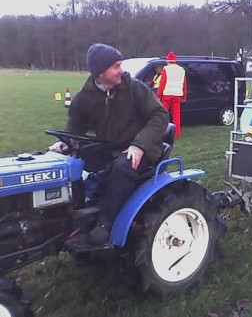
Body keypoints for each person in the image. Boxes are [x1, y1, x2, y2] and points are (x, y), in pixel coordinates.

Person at [48, 43, 169, 245]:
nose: (121, 71)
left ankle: (105, 223)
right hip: (109, 148)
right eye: (116, 66)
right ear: (100, 72)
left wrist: (139, 145)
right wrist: (65, 143)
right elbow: (75, 127)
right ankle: (73, 213)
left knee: (122, 167)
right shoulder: (84, 98)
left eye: (120, 65)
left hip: (143, 148)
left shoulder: (134, 88)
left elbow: (160, 116)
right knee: (75, 161)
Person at [157, 51, 187, 139]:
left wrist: (159, 95)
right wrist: (184, 96)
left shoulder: (166, 69)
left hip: (167, 95)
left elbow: (162, 83)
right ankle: (177, 134)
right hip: (177, 95)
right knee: (176, 115)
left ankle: (163, 131)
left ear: (168, 61)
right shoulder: (181, 70)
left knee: (163, 114)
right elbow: (184, 85)